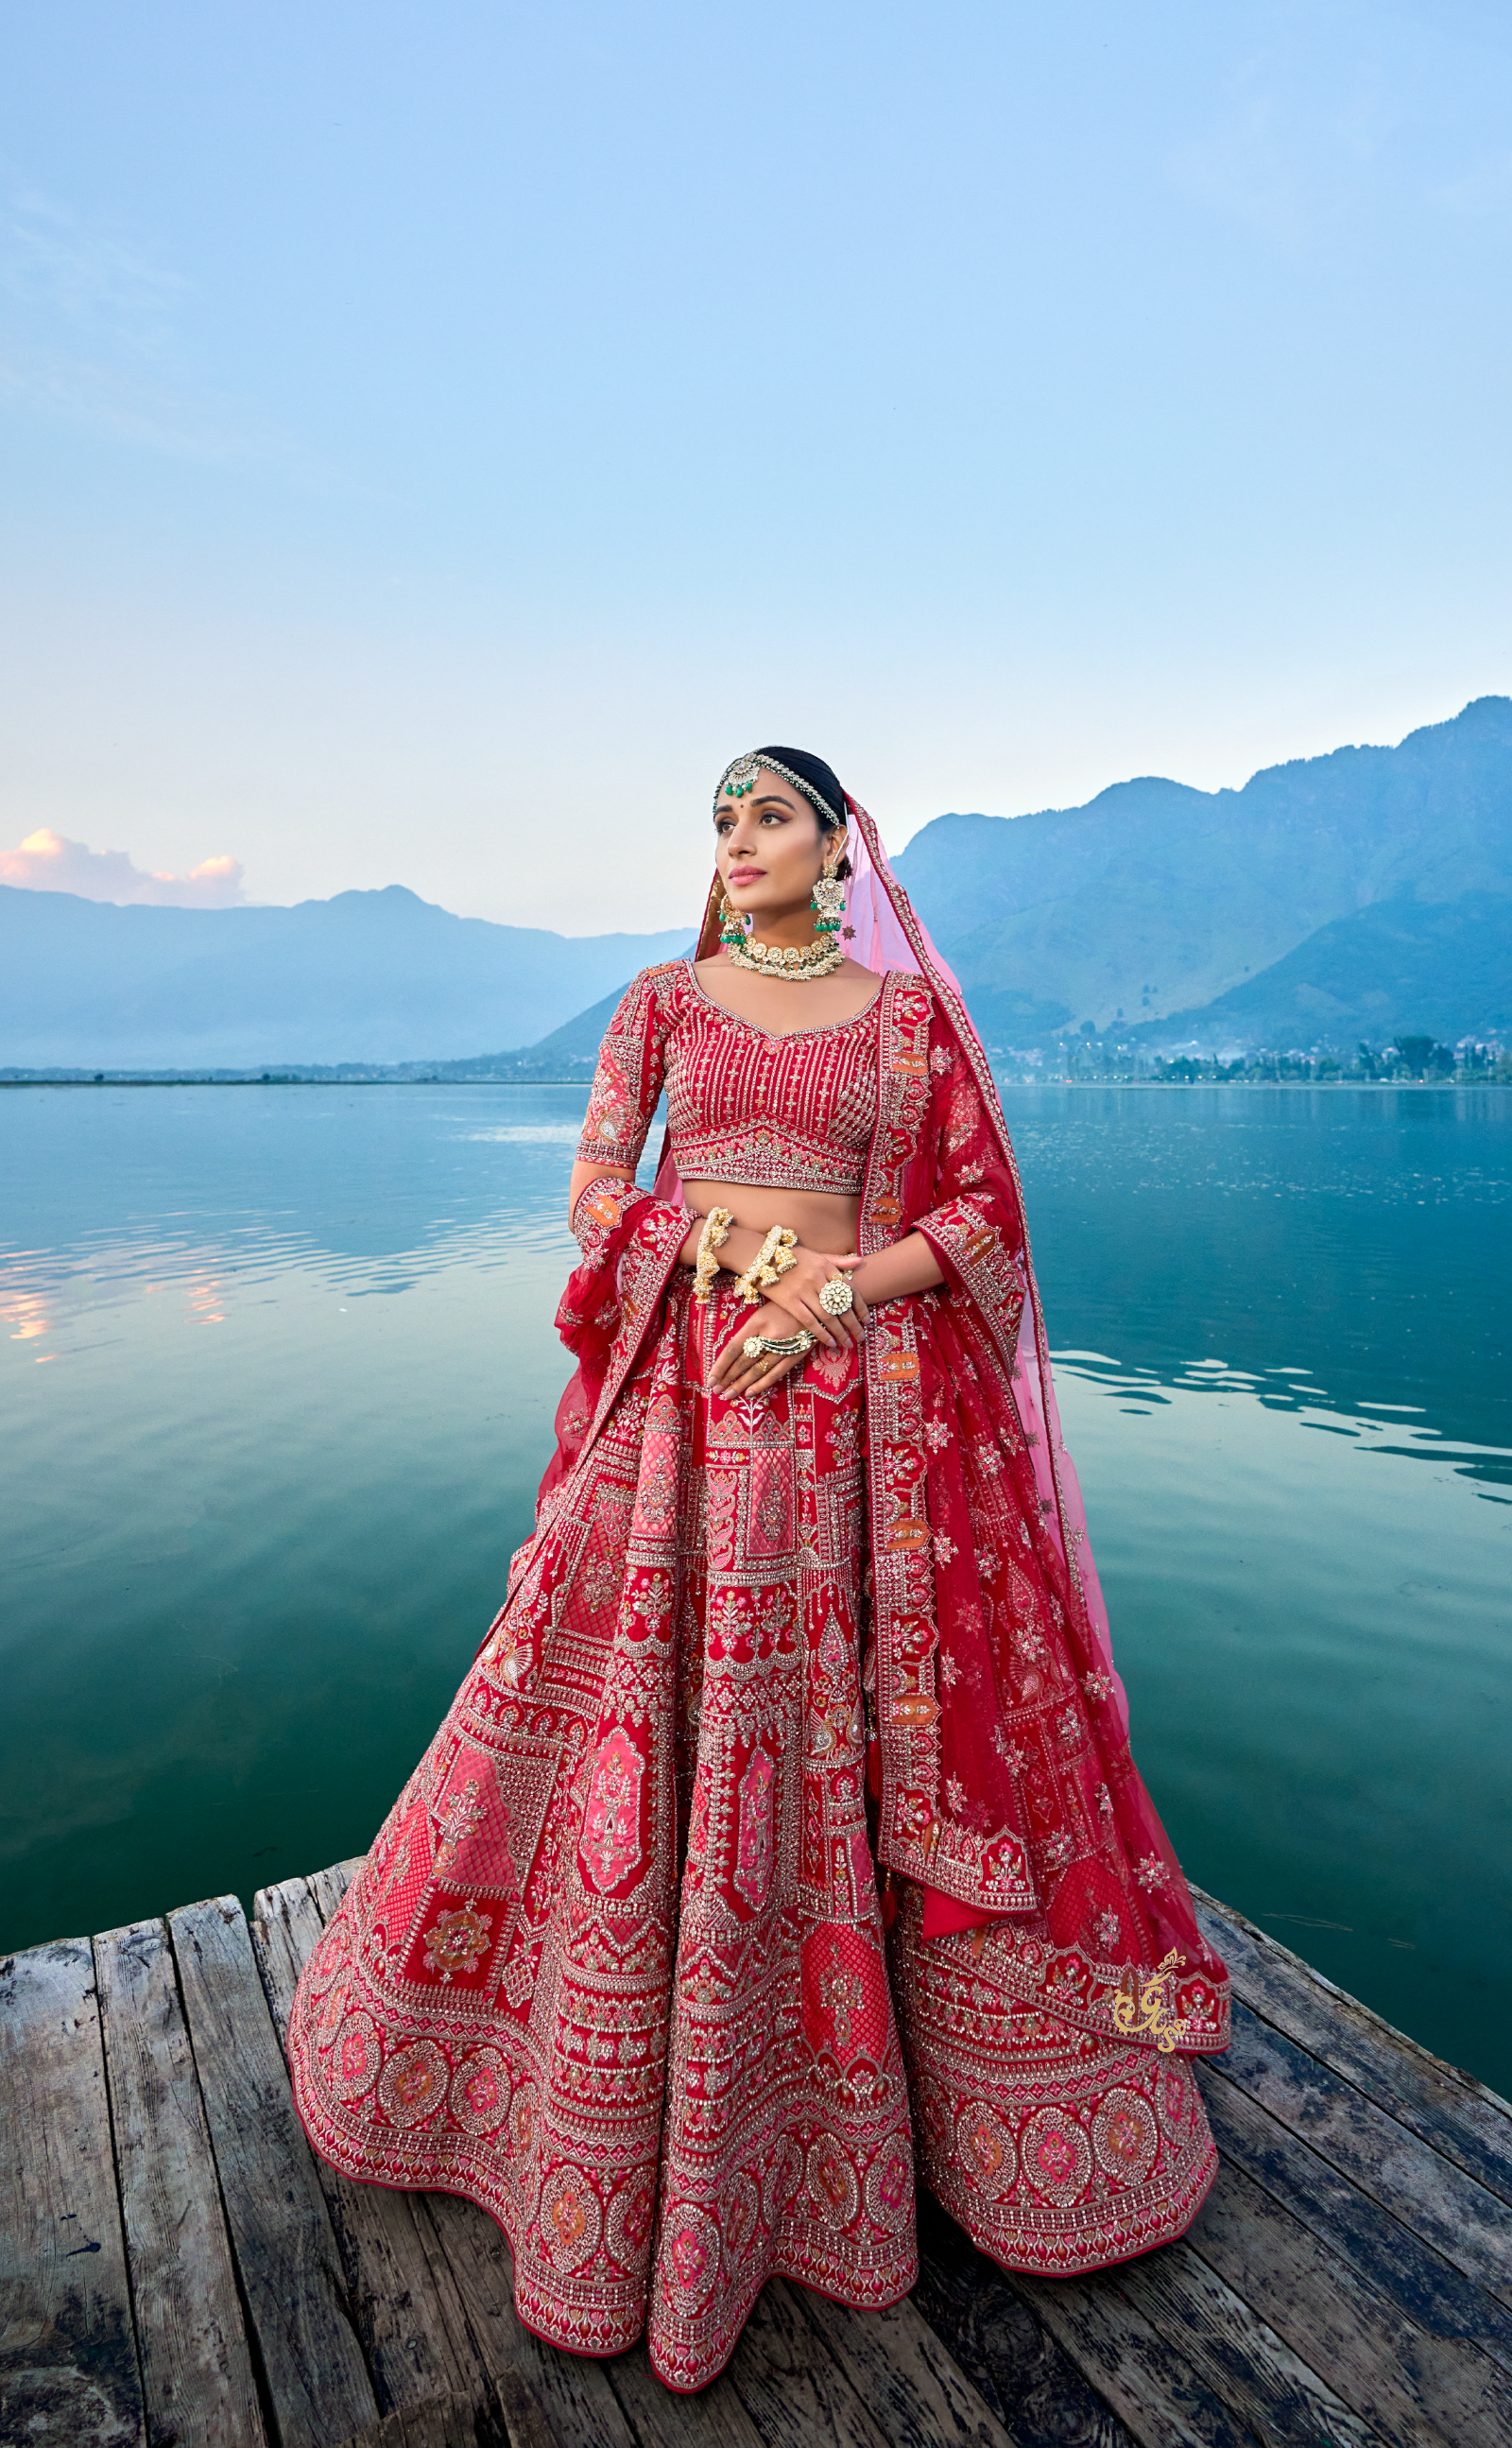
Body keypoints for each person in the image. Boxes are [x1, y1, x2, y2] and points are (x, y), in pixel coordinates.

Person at [288, 748, 1229, 2394]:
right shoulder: (662, 998)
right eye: (722, 821)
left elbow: (984, 1221)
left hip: (856, 1422)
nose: (739, 843)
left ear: (837, 846)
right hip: (685, 1417)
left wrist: (836, 1296)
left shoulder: (907, 1020)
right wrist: (724, 1252)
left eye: (769, 816)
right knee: (611, 1713)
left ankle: (910, 2126)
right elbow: (595, 1187)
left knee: (853, 1735)